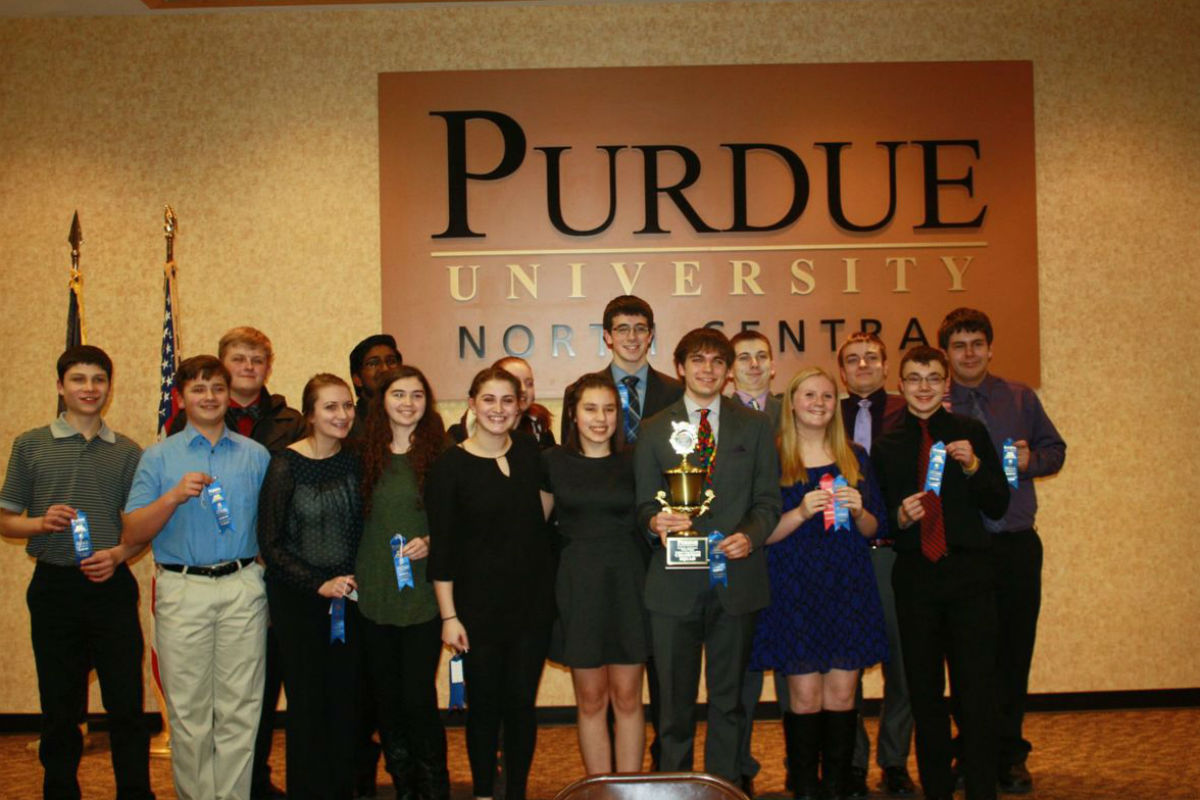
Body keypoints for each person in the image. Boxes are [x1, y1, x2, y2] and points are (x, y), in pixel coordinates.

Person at [0, 345, 155, 800]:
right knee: (60, 708)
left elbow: (143, 529)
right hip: (54, 588)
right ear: (60, 386)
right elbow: (6, 518)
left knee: (126, 705)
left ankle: (134, 792)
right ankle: (60, 790)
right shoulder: (30, 444)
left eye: (98, 379)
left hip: (111, 587)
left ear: (110, 386)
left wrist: (121, 554)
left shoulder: (129, 452)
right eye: (78, 379)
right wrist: (38, 522)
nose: (89, 388)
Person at [634, 327, 782, 785]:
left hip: (735, 580)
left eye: (718, 361)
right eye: (698, 360)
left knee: (729, 701)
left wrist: (751, 537)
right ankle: (673, 789)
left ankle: (725, 788)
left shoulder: (756, 426)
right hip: (674, 587)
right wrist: (654, 523)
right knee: (674, 705)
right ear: (680, 368)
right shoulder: (654, 428)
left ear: (729, 370)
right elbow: (642, 504)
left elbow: (768, 503)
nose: (708, 369)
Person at [123, 355, 271, 800]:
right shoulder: (157, 457)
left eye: (218, 388)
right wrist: (171, 498)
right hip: (182, 587)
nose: (209, 397)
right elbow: (132, 530)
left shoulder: (256, 456)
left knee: (240, 710)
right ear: (180, 397)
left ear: (230, 396)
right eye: (199, 389)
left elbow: (272, 526)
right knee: (188, 713)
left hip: (243, 585)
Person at [167, 326, 304, 800]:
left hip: (262, 572)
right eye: (237, 361)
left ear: (268, 367)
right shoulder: (176, 435)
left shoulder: (290, 423)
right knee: (197, 702)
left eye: (256, 360)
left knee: (249, 697)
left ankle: (248, 785)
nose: (248, 368)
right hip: (196, 578)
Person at [871, 346, 1009, 800]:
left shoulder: (971, 433)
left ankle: (983, 789)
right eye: (914, 378)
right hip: (916, 579)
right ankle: (936, 789)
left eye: (933, 377)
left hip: (970, 576)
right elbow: (881, 517)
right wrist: (902, 519)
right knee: (924, 695)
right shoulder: (888, 443)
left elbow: (998, 503)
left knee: (976, 694)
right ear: (901, 385)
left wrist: (974, 466)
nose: (924, 386)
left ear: (946, 382)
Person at [939, 308, 1066, 794]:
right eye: (959, 345)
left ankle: (1010, 754)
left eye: (976, 344)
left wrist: (1033, 460)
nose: (968, 353)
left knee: (1013, 653)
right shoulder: (937, 402)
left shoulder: (1020, 398)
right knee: (965, 658)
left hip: (1014, 545)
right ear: (947, 353)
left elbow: (1056, 450)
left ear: (990, 348)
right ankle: (970, 753)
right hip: (961, 548)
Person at [749, 366, 889, 800]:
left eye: (827, 396)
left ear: (836, 404)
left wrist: (860, 508)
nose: (818, 403)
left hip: (847, 586)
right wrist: (800, 513)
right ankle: (806, 788)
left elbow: (873, 529)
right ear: (790, 402)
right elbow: (761, 534)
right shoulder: (771, 456)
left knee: (843, 693)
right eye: (809, 395)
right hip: (794, 590)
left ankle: (836, 788)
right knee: (805, 696)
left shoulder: (855, 455)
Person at [427, 366, 556, 800]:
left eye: (507, 400)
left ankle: (516, 791)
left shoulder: (528, 452)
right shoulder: (450, 466)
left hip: (531, 607)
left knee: (521, 705)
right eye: (488, 400)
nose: (498, 409)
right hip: (476, 610)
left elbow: (541, 515)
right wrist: (448, 615)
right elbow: (442, 548)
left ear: (519, 406)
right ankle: (484, 792)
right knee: (484, 707)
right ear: (471, 404)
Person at [257, 374, 363, 800]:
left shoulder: (356, 460)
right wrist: (318, 584)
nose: (342, 415)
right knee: (307, 702)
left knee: (345, 701)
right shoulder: (285, 464)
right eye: (331, 407)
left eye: (348, 406)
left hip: (350, 598)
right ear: (310, 414)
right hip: (298, 600)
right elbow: (270, 542)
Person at [541, 372, 648, 774]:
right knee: (590, 700)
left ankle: (630, 788)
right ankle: (600, 786)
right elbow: (535, 528)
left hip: (627, 583)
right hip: (577, 586)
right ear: (573, 413)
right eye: (590, 408)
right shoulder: (551, 462)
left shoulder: (636, 459)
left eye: (609, 409)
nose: (600, 418)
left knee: (627, 698)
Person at [357, 366, 450, 800]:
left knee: (418, 698)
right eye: (398, 394)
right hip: (373, 597)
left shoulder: (442, 455)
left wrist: (433, 540)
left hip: (425, 601)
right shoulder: (360, 454)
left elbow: (460, 521)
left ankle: (433, 789)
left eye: (417, 395)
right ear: (382, 401)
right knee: (386, 702)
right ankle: (404, 788)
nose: (408, 403)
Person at [836, 331, 915, 798]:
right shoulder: (826, 415)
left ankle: (894, 761)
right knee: (848, 664)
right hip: (844, 557)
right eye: (852, 360)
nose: (862, 365)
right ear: (841, 371)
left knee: (902, 665)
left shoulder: (911, 416)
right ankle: (852, 761)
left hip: (892, 553)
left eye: (871, 358)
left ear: (886, 367)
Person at [726, 330, 790, 795]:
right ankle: (738, 762)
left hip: (791, 552)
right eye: (743, 358)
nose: (752, 365)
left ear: (773, 366)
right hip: (740, 555)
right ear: (730, 370)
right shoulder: (714, 417)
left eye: (760, 357)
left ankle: (804, 760)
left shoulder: (798, 409)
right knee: (742, 671)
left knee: (797, 666)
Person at [561, 295, 683, 446]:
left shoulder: (677, 392)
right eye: (622, 329)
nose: (632, 337)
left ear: (650, 336)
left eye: (640, 329)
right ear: (608, 336)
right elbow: (571, 453)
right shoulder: (576, 392)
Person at [450, 355, 555, 449]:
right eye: (515, 383)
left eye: (529, 383)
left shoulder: (541, 430)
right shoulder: (457, 437)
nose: (523, 389)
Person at [349, 334, 403, 439]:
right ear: (357, 379)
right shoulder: (346, 423)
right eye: (373, 363)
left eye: (391, 361)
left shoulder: (416, 417)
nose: (385, 369)